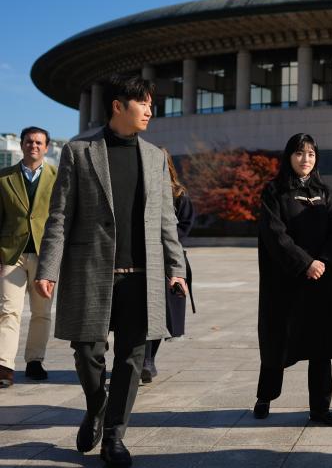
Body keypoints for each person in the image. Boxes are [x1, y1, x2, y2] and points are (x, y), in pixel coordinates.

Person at [35, 75, 187, 467]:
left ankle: (114, 436)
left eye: (152, 104)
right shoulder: (79, 151)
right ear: (119, 106)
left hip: (143, 274)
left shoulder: (155, 156)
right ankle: (96, 405)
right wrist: (48, 267)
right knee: (87, 351)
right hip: (91, 270)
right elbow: (60, 216)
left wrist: (176, 268)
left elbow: (165, 220)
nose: (151, 111)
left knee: (133, 357)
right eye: (144, 104)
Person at [253, 133, 332, 427]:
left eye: (310, 154)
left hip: (321, 281)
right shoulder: (274, 191)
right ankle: (265, 397)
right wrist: (305, 263)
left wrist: (324, 262)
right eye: (299, 153)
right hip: (286, 281)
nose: (305, 159)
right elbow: (275, 234)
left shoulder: (324, 192)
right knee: (277, 341)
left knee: (321, 346)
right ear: (288, 156)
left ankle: (320, 409)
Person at [0, 126, 57, 387]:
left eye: (38, 142)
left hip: (45, 255)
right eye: (29, 142)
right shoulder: (3, 178)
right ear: (22, 145)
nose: (33, 146)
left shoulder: (58, 178)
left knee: (41, 311)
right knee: (7, 310)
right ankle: (4, 366)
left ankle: (35, 361)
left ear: (46, 147)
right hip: (11, 254)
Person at [141, 149, 196, 383]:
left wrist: (166, 243)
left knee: (163, 314)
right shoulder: (140, 190)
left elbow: (185, 225)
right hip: (142, 260)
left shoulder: (179, 194)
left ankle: (148, 360)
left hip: (170, 262)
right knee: (143, 313)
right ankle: (141, 360)